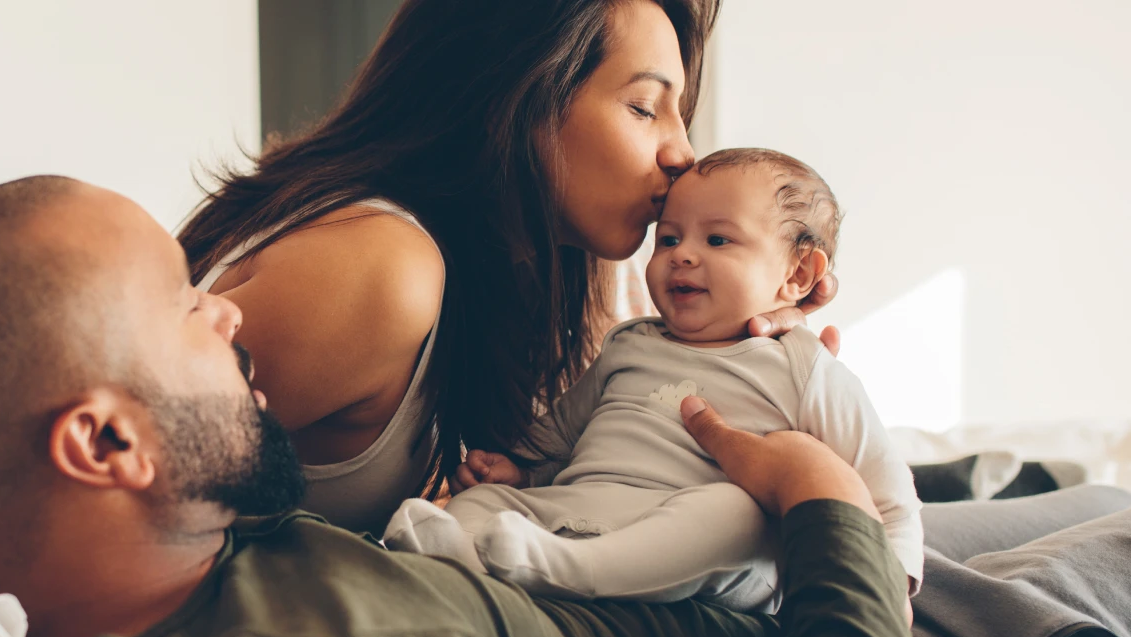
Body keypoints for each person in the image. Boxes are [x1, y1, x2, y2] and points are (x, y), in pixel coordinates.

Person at [0, 177, 916, 637]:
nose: (229, 312)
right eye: (185, 305)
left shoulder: (205, 548)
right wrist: (815, 490)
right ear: (107, 442)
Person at [175, 0, 840, 537]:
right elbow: (115, 490)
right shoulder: (378, 269)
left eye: (680, 116)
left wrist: (737, 353)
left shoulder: (533, 271)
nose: (683, 154)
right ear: (514, 95)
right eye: (643, 107)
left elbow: (588, 483)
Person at [383, 149, 921, 613]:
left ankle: (567, 569)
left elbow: (886, 490)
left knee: (735, 512)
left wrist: (891, 583)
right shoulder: (629, 341)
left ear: (797, 275)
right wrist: (515, 469)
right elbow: (562, 434)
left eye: (717, 239)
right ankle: (456, 551)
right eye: (667, 239)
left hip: (694, 544)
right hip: (583, 508)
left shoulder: (802, 367)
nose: (681, 254)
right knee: (488, 504)